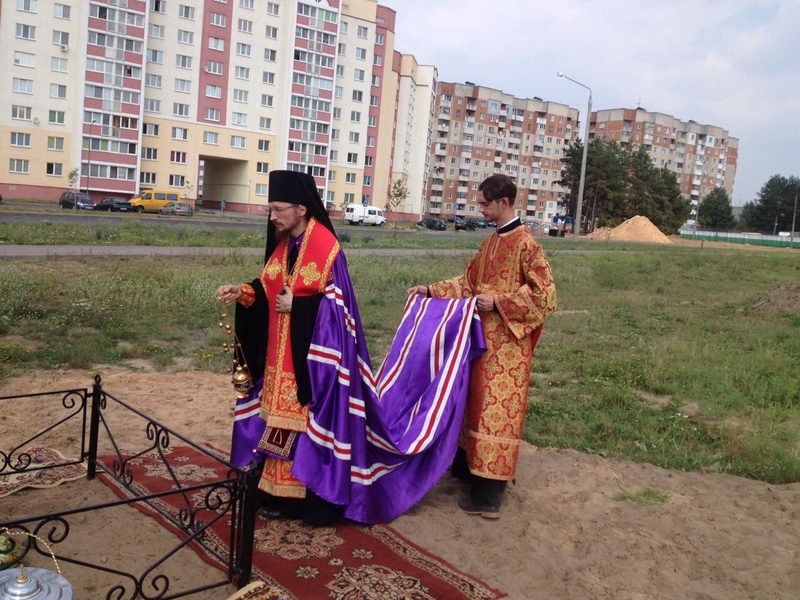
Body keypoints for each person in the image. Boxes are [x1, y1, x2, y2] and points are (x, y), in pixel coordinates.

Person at [407, 174, 557, 519]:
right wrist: (430, 290)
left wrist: (500, 302)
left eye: (485, 204)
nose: (481, 210)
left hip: (508, 350)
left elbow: (547, 296)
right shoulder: (490, 242)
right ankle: (468, 472)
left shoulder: (527, 244)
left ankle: (488, 496)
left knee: (495, 416)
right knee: (472, 406)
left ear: (503, 202)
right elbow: (468, 283)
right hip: (478, 342)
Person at [216, 170, 349, 526]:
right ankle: (273, 490)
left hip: (307, 361)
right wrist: (243, 292)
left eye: (278, 208)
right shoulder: (284, 244)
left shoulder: (327, 248)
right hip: (278, 354)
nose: (271, 216)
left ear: (301, 209)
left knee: (298, 425)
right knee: (276, 421)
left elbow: (342, 307)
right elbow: (267, 289)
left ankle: (299, 498)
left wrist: (300, 307)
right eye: (269, 209)